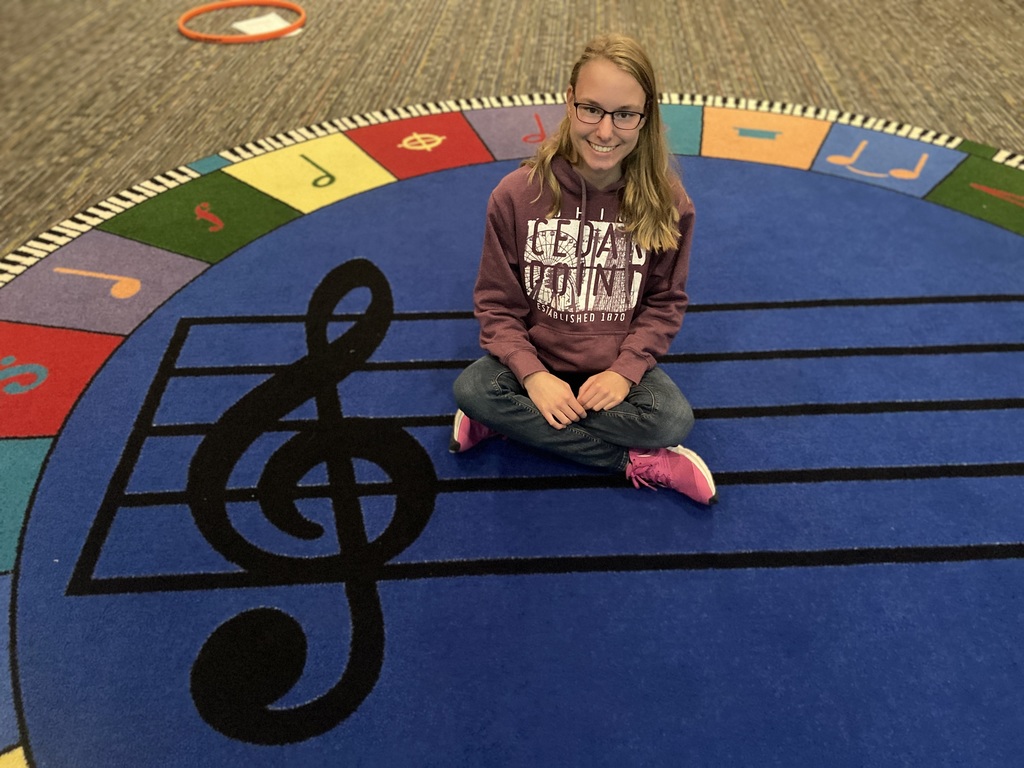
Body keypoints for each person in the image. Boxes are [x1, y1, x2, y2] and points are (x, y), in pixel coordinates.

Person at [450, 33, 716, 505]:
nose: (605, 131)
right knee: (473, 388)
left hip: (611, 371)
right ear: (569, 101)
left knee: (672, 420)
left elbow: (664, 303)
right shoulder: (514, 195)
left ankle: (512, 420)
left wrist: (625, 372)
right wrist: (533, 377)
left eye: (625, 114)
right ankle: (632, 462)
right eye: (591, 108)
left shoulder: (669, 203)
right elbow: (496, 305)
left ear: (647, 115)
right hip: (536, 362)